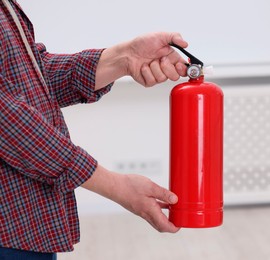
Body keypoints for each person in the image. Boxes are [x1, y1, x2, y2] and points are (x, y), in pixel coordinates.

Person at [0, 0, 188, 258]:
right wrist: (116, 186)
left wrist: (125, 57)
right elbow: (9, 122)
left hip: (25, 222)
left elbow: (29, 78)